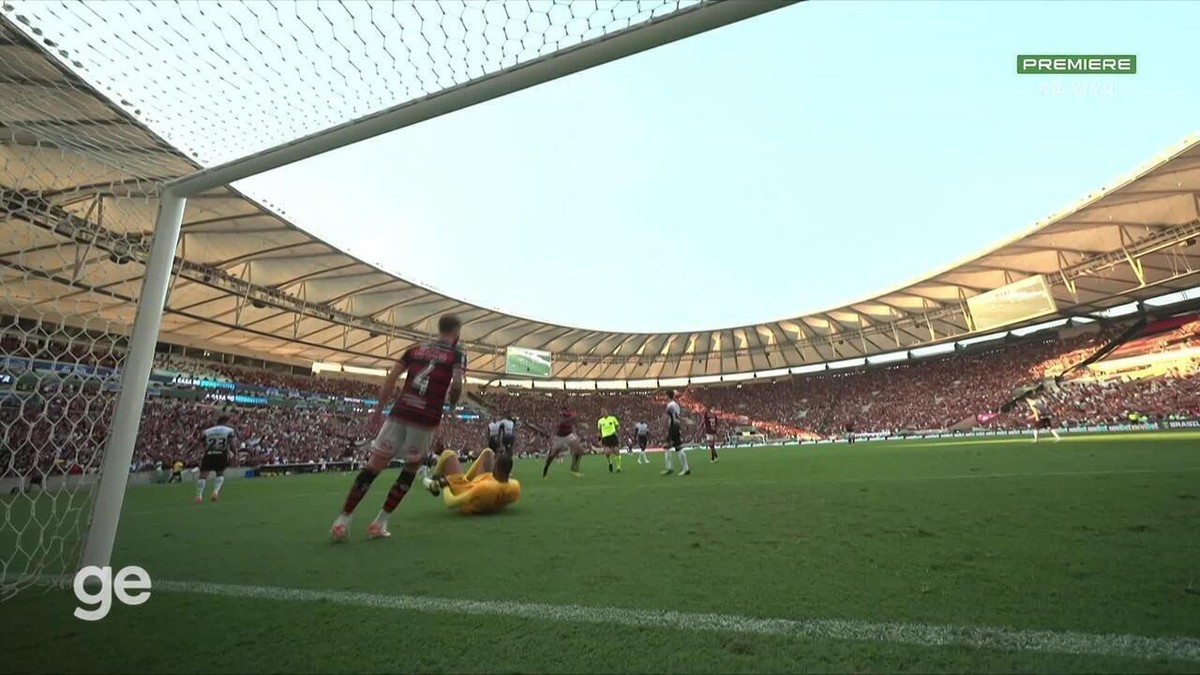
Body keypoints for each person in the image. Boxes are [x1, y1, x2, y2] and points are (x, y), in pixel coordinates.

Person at [330, 314, 467, 541]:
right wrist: (451, 406)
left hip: (400, 412)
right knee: (410, 468)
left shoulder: (414, 350)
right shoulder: (456, 355)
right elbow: (458, 384)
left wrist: (379, 409)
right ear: (457, 332)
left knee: (375, 465)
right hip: (425, 418)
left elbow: (392, 376)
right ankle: (379, 522)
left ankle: (343, 519)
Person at [423, 447, 521, 515]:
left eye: (494, 466)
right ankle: (465, 478)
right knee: (488, 452)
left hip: (465, 492)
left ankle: (434, 481)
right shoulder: (514, 486)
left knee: (448, 454)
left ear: (497, 469)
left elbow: (451, 503)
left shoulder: (484, 489)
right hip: (485, 489)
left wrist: (445, 485)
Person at [195, 415, 238, 503]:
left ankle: (199, 496)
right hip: (222, 453)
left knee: (203, 475)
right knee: (220, 473)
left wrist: (187, 451)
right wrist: (235, 454)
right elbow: (232, 444)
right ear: (225, 421)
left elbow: (197, 442)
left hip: (209, 453)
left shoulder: (207, 431)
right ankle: (215, 492)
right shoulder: (229, 430)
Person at [543, 408, 586, 478]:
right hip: (559, 438)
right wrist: (572, 418)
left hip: (569, 435)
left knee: (579, 450)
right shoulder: (563, 420)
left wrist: (580, 425)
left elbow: (576, 422)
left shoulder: (571, 418)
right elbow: (562, 422)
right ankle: (545, 470)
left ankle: (574, 469)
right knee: (552, 455)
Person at [661, 390, 691, 477]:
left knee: (678, 448)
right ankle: (669, 467)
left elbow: (671, 418)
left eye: (665, 395)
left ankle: (685, 468)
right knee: (667, 447)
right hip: (675, 426)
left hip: (674, 427)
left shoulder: (670, 405)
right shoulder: (675, 405)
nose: (664, 397)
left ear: (668, 396)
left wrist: (669, 429)